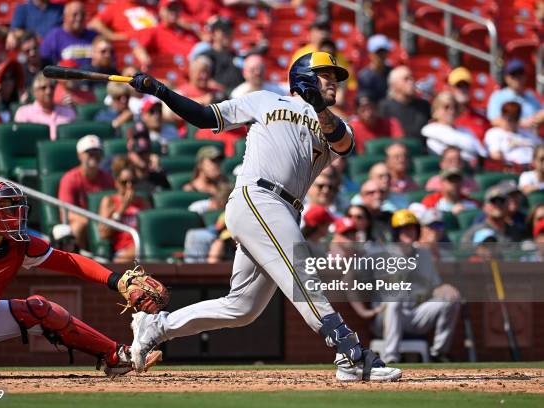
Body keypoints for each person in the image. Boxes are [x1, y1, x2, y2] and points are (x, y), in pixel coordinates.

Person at [126, 51, 402, 381]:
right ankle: (351, 355)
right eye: (326, 74)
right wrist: (162, 91)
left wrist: (318, 107)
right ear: (304, 76)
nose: (335, 82)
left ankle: (156, 326)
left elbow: (342, 144)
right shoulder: (264, 99)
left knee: (242, 308)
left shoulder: (335, 122)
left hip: (285, 209)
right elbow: (204, 116)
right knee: (303, 276)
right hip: (258, 196)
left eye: (336, 77)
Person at [0, 180, 164, 378]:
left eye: (14, 207)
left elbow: (70, 262)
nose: (12, 213)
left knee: (41, 309)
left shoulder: (18, 245)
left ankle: (116, 356)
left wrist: (116, 280)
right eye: (2, 207)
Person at [354, 209, 460, 363]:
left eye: (411, 228)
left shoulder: (424, 255)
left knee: (450, 300)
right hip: (384, 318)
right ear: (395, 232)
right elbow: (350, 278)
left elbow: (434, 286)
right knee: (395, 300)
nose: (408, 232)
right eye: (403, 228)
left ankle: (438, 353)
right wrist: (363, 311)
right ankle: (391, 358)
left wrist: (444, 289)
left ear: (418, 231)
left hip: (415, 314)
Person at [58, 135, 115, 249]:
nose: (94, 156)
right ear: (80, 155)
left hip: (104, 224)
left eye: (97, 152)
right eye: (89, 152)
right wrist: (92, 222)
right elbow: (66, 212)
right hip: (86, 225)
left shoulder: (108, 178)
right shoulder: (70, 178)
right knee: (77, 227)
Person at [98, 160, 150, 263]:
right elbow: (103, 233)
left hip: (144, 248)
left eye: (133, 182)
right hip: (123, 251)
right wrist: (122, 208)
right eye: (124, 182)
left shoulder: (143, 202)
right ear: (116, 182)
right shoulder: (110, 201)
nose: (129, 186)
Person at [421, 91, 487, 166]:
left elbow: (482, 152)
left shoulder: (465, 131)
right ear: (436, 110)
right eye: (446, 107)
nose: (451, 111)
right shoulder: (431, 131)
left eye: (454, 107)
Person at [290, 17, 356, 91]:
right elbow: (293, 81)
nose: (324, 33)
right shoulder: (302, 54)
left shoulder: (339, 56)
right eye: (320, 28)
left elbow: (351, 85)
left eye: (327, 29)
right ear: (311, 32)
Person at [132, 0, 199, 70]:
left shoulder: (187, 30)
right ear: (161, 11)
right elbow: (138, 48)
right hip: (177, 69)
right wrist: (144, 59)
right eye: (170, 8)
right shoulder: (155, 31)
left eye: (176, 8)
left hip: (198, 64)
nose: (173, 12)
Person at [14, 72, 76, 141]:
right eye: (43, 88)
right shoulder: (24, 113)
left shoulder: (68, 112)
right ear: (34, 92)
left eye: (52, 87)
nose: (48, 91)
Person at [487, 59, 543, 130]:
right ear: (506, 78)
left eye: (520, 74)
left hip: (529, 136)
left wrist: (537, 119)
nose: (517, 78)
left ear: (525, 77)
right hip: (507, 135)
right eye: (514, 75)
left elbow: (540, 116)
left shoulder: (531, 97)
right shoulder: (498, 96)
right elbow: (494, 121)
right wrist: (520, 124)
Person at [461, 185, 528, 243]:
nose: (498, 205)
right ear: (484, 207)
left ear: (507, 205)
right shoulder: (474, 233)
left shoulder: (516, 232)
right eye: (493, 201)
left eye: (501, 201)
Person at [379, 66, 430, 140]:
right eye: (406, 79)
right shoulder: (384, 107)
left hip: (421, 150)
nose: (411, 81)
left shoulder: (424, 106)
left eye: (412, 78)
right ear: (394, 85)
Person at [40, 1, 97, 67]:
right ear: (65, 16)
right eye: (75, 15)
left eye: (82, 14)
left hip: (90, 75)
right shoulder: (54, 37)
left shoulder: (94, 36)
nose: (79, 18)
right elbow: (45, 63)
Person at [484, 101, 541, 166]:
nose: (513, 121)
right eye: (510, 118)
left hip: (534, 169)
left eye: (516, 118)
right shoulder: (494, 133)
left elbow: (541, 149)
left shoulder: (527, 134)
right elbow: (496, 156)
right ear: (502, 116)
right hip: (511, 170)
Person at [447, 67, 490, 142]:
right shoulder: (445, 116)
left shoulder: (481, 116)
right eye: (459, 86)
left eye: (466, 86)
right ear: (451, 88)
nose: (463, 89)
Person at [200, 17, 243, 92]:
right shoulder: (206, 56)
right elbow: (202, 81)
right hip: (217, 99)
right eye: (224, 31)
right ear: (213, 34)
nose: (228, 34)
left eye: (229, 31)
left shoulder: (237, 56)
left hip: (239, 98)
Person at [87, 0, 157, 41]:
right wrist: (112, 36)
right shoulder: (117, 6)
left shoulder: (150, 8)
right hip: (130, 48)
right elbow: (94, 24)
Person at [357, 34, 393, 103]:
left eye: (384, 52)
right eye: (378, 52)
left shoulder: (392, 72)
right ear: (370, 54)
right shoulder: (364, 76)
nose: (381, 55)